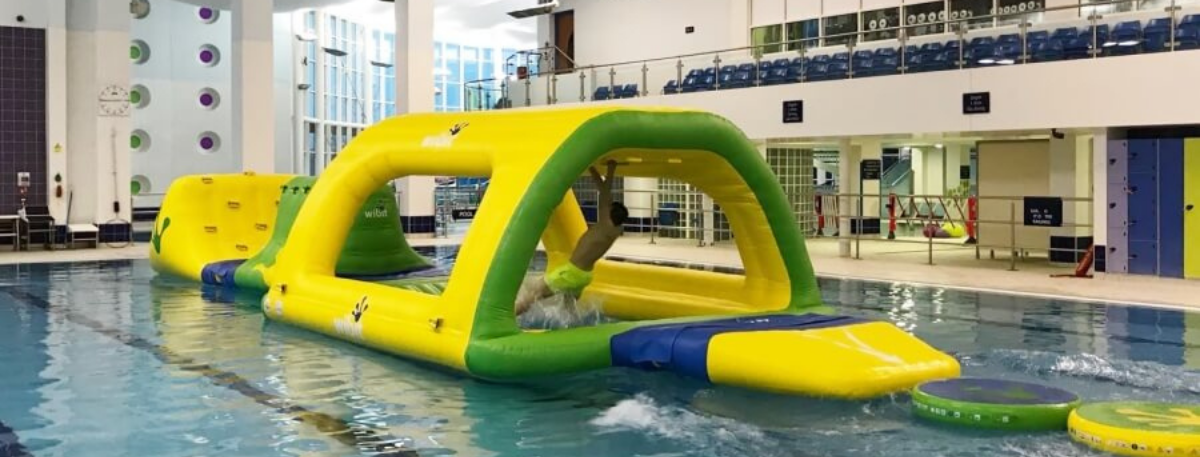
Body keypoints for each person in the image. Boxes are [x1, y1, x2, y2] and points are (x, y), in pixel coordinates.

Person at [516, 160, 628, 316]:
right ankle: (572, 329)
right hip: (585, 276)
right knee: (569, 311)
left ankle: (505, 319)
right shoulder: (616, 229)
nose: (606, 206)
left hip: (571, 273)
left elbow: (605, 193)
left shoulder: (605, 224)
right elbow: (604, 193)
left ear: (609, 214)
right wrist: (592, 168)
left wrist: (610, 169)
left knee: (534, 293)